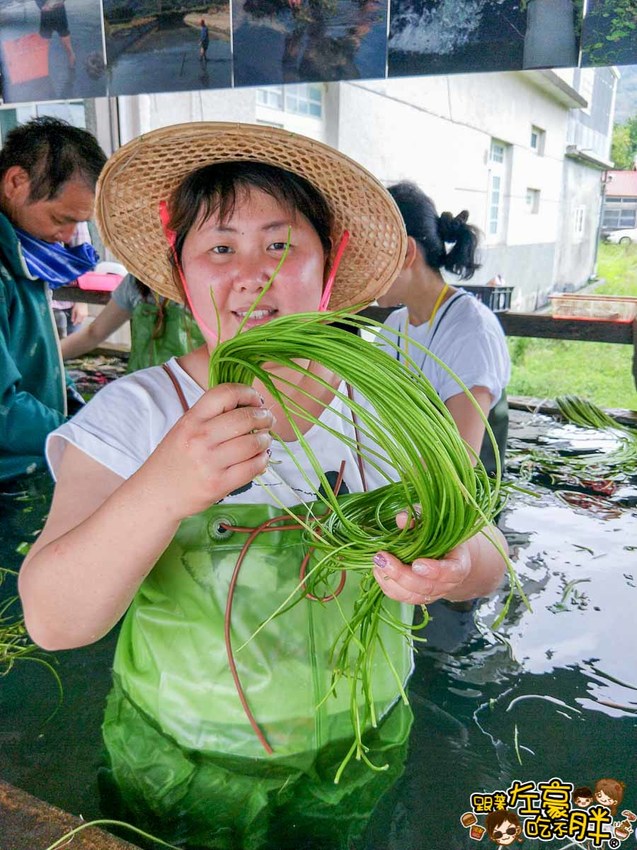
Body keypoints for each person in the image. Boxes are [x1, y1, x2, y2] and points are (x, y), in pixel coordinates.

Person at [19, 123, 507, 849]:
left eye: (281, 245)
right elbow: (55, 623)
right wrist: (164, 488)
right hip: (179, 763)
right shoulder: (139, 415)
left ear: (328, 268)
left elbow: (484, 547)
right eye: (220, 247)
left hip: (356, 753)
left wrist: (456, 566)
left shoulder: (390, 404)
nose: (253, 272)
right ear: (182, 277)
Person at [376, 181, 511, 476]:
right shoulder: (395, 326)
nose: (364, 269)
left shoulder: (471, 331)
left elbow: (461, 460)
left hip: (461, 508)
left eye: (372, 253)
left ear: (408, 253)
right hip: (405, 497)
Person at [0, 116, 107, 482]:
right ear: (16, 183)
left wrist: (78, 410)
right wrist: (85, 435)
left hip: (35, 463)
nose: (67, 237)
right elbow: (3, 410)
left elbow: (41, 365)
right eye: (62, 219)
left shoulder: (22, 256)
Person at [60, 273, 205, 370]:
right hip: (143, 384)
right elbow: (94, 333)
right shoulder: (136, 281)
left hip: (196, 390)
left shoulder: (208, 282)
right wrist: (49, 357)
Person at [51, 221, 91, 339]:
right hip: (36, 300)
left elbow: (83, 259)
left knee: (66, 351)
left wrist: (81, 301)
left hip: (67, 302)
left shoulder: (74, 214)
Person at [35, 0, 75, 68]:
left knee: (67, 43)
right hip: (46, 14)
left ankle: (72, 66)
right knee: (43, 44)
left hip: (59, 12)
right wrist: (41, 6)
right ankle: (42, 68)